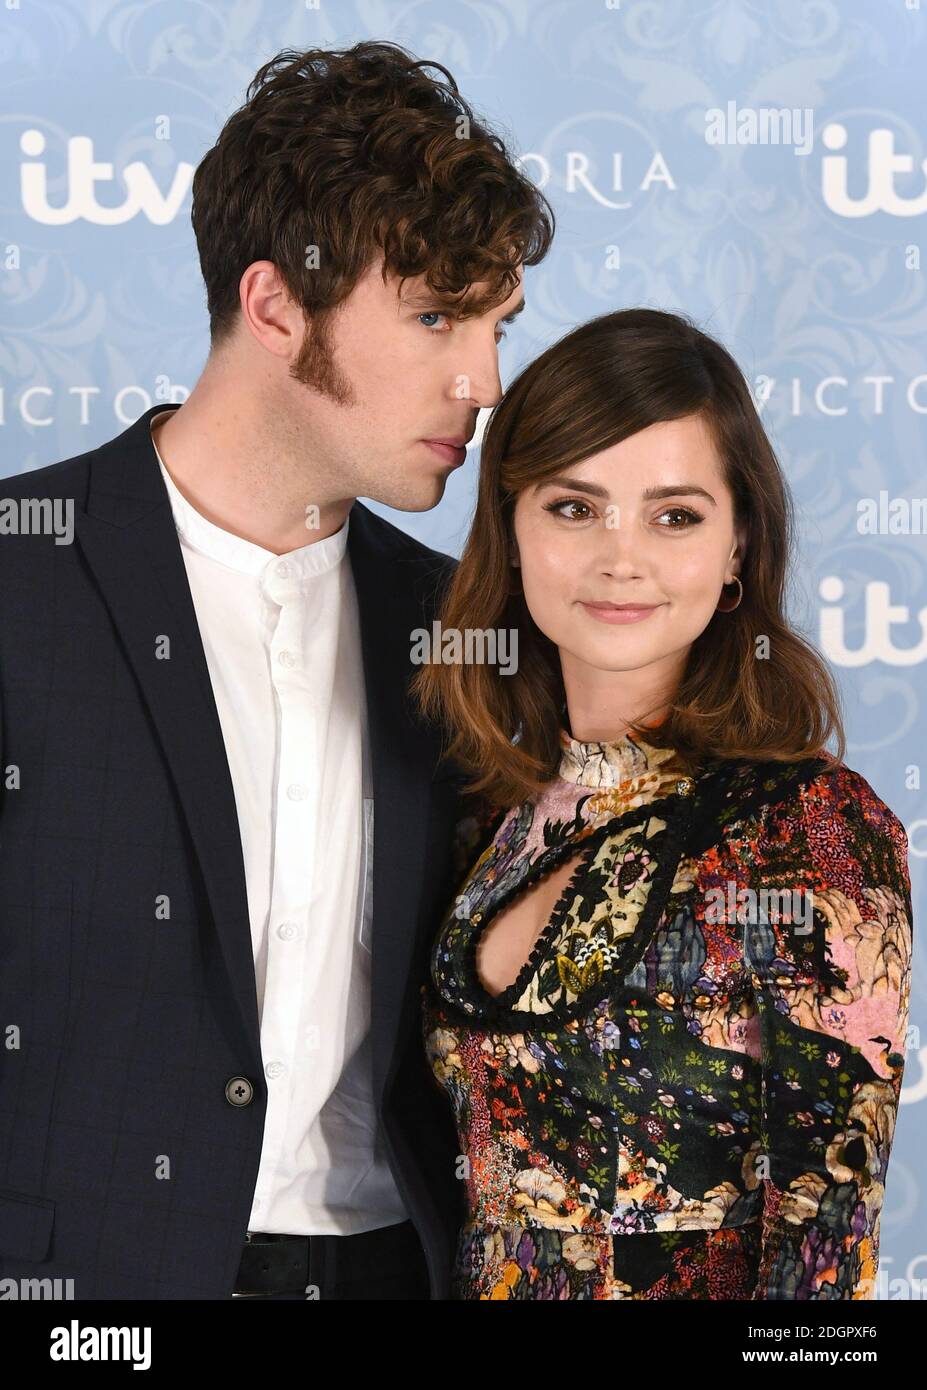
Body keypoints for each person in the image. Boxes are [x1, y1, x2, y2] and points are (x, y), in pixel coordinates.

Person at [0, 41, 553, 1299]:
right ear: (273, 306)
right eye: (433, 316)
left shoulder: (467, 630)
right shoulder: (17, 577)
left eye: (497, 325)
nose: (485, 384)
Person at [413, 307, 913, 1300]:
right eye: (573, 506)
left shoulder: (805, 827)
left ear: (737, 550)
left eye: (675, 515)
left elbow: (826, 1255)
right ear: (510, 530)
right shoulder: (494, 821)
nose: (620, 556)